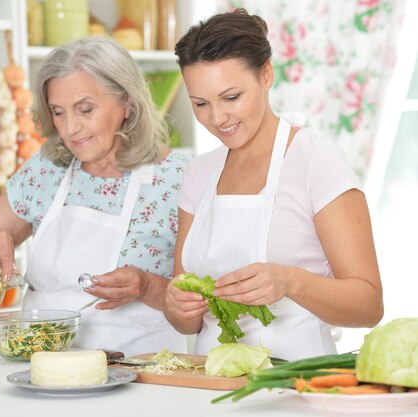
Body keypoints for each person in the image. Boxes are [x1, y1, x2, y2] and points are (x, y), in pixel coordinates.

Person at [163, 8, 383, 360]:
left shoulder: (316, 160)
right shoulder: (199, 173)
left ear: (266, 75)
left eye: (231, 97)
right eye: (200, 104)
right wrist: (177, 306)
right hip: (212, 385)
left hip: (297, 384)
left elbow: (369, 306)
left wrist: (290, 281)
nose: (217, 118)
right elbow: (187, 322)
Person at [0, 36, 189, 356]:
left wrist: (146, 286)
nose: (71, 128)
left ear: (126, 102)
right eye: (58, 112)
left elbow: (200, 310)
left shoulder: (178, 178)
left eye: (85, 109)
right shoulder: (48, 169)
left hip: (142, 374)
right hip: (42, 365)